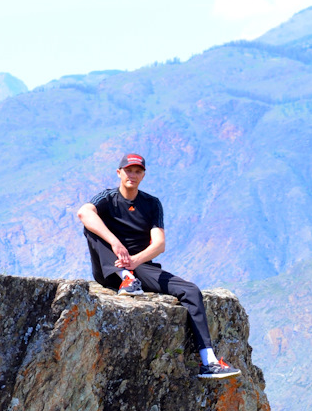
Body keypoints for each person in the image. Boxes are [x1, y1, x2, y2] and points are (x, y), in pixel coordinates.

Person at [77, 155, 239, 381]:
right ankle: (125, 279)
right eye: (128, 170)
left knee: (191, 291)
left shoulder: (151, 204)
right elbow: (84, 212)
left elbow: (159, 244)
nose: (132, 175)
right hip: (110, 267)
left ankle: (209, 361)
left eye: (137, 171)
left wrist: (134, 261)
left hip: (140, 265)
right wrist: (116, 244)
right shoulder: (108, 198)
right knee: (92, 227)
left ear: (143, 175)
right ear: (119, 172)